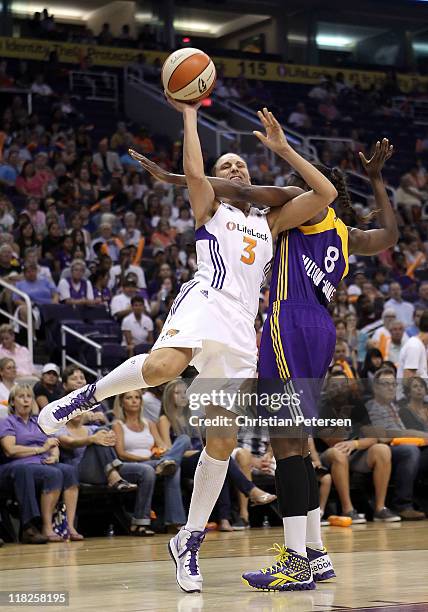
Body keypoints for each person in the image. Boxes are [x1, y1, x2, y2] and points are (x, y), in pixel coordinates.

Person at [38, 105, 338, 594]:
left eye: (241, 164)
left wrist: (283, 148)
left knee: (221, 443)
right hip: (205, 299)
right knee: (161, 368)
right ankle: (84, 397)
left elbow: (324, 193)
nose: (234, 169)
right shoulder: (210, 207)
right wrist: (190, 113)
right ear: (214, 181)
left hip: (243, 329)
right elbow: (196, 172)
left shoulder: (272, 219)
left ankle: (188, 539)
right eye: (226, 167)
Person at [242, 136, 398, 590]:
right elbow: (389, 236)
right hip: (322, 330)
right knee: (301, 444)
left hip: (288, 320)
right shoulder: (345, 234)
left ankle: (295, 563)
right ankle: (315, 551)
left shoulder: (305, 205)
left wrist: (186, 179)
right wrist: (376, 179)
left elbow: (248, 194)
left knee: (288, 444)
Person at [0, 384, 81, 542]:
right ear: (12, 402)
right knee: (48, 472)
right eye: (21, 396)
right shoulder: (7, 422)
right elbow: (10, 449)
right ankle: (39, 526)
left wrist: (55, 455)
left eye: (29, 396)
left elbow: (53, 442)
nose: (26, 400)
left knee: (69, 470)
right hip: (15, 465)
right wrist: (40, 449)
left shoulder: (38, 421)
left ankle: (69, 526)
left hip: (41, 463)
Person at [112, 390, 189, 529]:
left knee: (182, 443)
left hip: (152, 461)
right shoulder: (118, 424)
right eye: (129, 398)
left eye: (137, 397)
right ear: (122, 402)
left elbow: (161, 444)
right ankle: (164, 521)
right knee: (162, 467)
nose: (134, 400)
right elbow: (121, 453)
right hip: (128, 464)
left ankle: (174, 521)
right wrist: (145, 457)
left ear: (141, 401)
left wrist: (163, 451)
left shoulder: (149, 423)